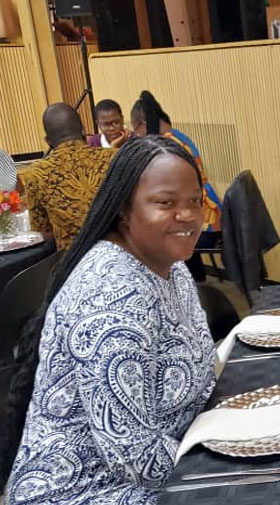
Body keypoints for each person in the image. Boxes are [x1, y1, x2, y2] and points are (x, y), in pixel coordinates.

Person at [2, 136, 217, 504]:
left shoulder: (171, 264)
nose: (188, 216)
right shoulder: (112, 295)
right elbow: (134, 457)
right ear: (123, 211)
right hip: (85, 491)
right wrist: (225, 464)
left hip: (166, 459)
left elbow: (204, 362)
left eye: (194, 202)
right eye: (165, 203)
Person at [18, 103, 114, 250]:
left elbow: (42, 232)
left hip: (76, 263)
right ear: (83, 131)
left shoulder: (37, 174)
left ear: (48, 141)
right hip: (124, 252)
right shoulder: (114, 157)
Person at [130, 90, 222, 236]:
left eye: (136, 132)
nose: (137, 137)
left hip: (202, 222)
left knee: (149, 232)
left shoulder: (168, 147)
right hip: (208, 210)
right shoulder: (176, 136)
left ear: (143, 124)